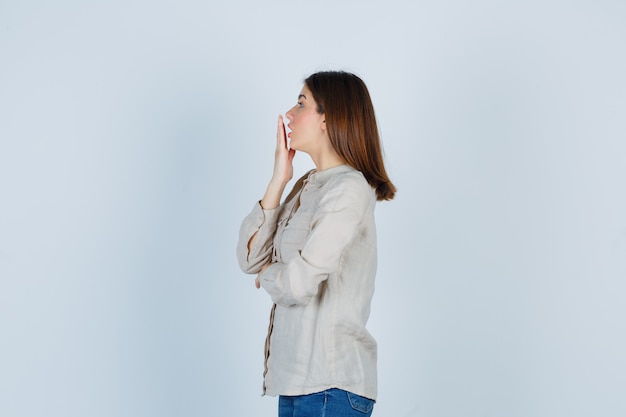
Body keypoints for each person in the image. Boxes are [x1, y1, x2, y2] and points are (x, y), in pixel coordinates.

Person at [236, 71, 395, 417]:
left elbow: (300, 282)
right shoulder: (308, 185)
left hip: (330, 385)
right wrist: (279, 179)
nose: (289, 114)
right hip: (296, 384)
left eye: (301, 103)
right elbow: (250, 259)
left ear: (328, 117)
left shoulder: (349, 189)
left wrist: (270, 275)